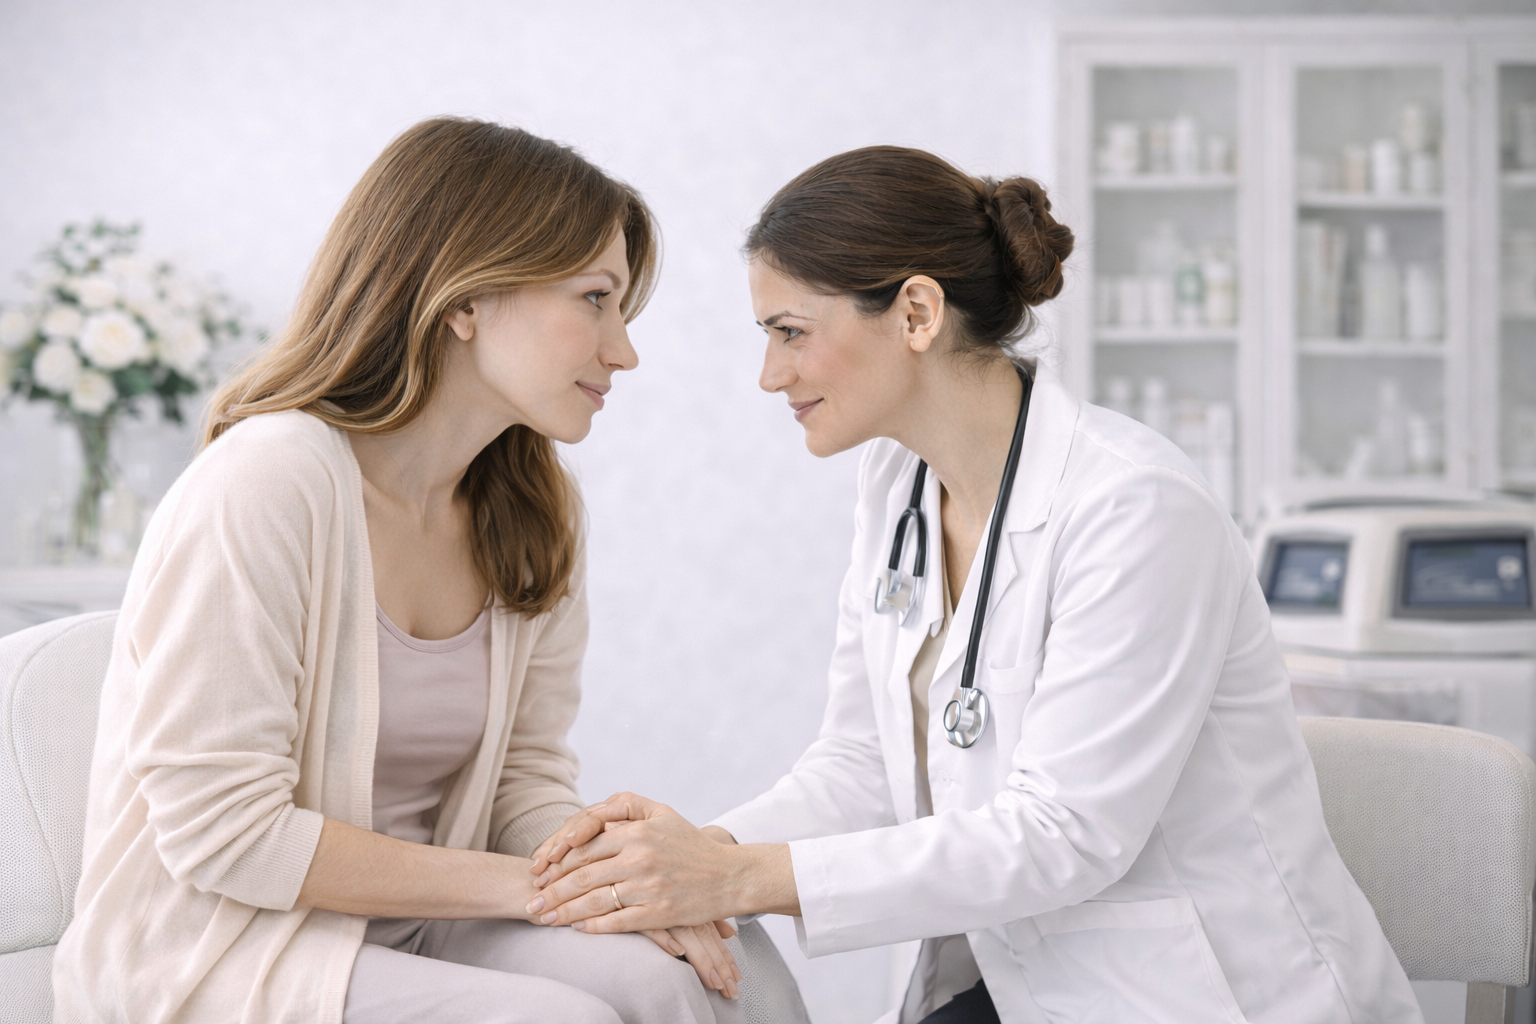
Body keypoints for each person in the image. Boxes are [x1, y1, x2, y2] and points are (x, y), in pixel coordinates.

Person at [523, 146, 1425, 1024]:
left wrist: (739, 879)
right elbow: (864, 764)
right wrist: (699, 854)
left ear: (917, 312)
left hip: (1200, 992)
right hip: (1007, 981)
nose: (771, 375)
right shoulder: (897, 488)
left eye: (790, 332)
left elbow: (1064, 833)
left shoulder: (1135, 507)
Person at [52, 117, 746, 1024]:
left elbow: (523, 785)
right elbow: (226, 837)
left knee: (675, 976)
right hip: (215, 950)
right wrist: (539, 893)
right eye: (594, 299)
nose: (623, 350)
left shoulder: (536, 510)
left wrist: (623, 879)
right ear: (465, 299)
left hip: (414, 929)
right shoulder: (269, 480)